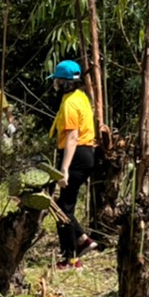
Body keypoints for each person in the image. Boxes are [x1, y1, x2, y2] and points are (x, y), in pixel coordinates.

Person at [49, 59, 99, 270]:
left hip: (76, 155)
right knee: (63, 205)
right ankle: (84, 240)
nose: (55, 84)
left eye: (58, 80)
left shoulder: (69, 103)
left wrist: (64, 169)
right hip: (85, 154)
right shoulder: (80, 97)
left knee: (64, 210)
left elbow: (71, 136)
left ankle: (71, 259)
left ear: (65, 82)